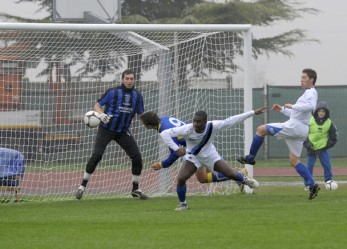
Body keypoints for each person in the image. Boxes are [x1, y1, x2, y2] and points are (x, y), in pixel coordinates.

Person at [160, 107, 267, 211]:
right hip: (193, 157)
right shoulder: (187, 129)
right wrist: (176, 148)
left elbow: (232, 120)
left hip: (211, 155)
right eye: (194, 121)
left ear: (205, 122)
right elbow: (165, 134)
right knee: (181, 178)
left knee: (230, 174)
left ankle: (244, 180)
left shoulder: (213, 125)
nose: (196, 124)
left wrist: (252, 112)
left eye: (199, 122)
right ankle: (183, 205)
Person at [237, 68, 320, 200]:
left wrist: (292, 106)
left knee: (260, 129)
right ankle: (312, 184)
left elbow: (311, 107)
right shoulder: (308, 93)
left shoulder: (310, 92)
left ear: (311, 80)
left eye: (304, 77)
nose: (301, 80)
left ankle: (250, 158)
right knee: (294, 161)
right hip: (301, 129)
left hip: (294, 127)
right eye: (301, 77)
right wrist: (282, 109)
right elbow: (297, 114)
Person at [75, 69, 148, 200]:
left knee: (137, 158)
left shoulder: (138, 96)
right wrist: (101, 114)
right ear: (122, 79)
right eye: (127, 78)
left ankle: (135, 189)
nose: (129, 81)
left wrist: (149, 122)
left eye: (132, 79)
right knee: (97, 155)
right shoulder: (113, 92)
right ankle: (82, 186)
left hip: (123, 132)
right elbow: (97, 105)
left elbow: (141, 114)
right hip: (106, 129)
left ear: (134, 80)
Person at [140, 111, 248, 187]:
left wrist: (162, 164)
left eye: (144, 125)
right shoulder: (164, 119)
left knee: (205, 177)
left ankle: (239, 174)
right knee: (204, 177)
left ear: (149, 125)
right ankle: (238, 175)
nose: (144, 127)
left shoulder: (165, 129)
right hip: (196, 148)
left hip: (197, 150)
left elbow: (175, 154)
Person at [303, 102, 338, 189]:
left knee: (327, 166)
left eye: (323, 111)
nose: (321, 113)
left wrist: (326, 145)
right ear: (316, 112)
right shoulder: (309, 120)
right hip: (311, 148)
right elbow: (303, 134)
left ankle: (328, 181)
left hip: (323, 149)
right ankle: (308, 184)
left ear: (326, 113)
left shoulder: (329, 123)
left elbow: (334, 136)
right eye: (319, 111)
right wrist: (308, 144)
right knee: (309, 166)